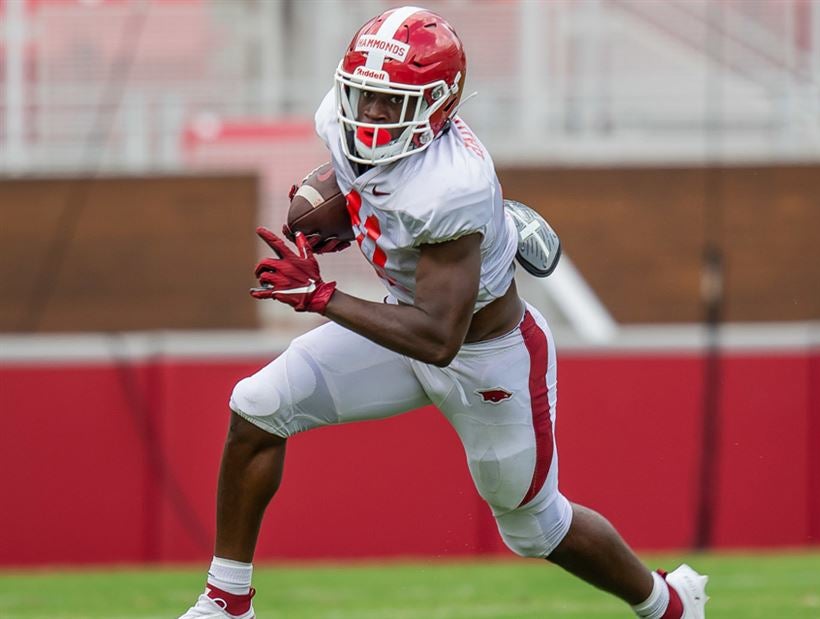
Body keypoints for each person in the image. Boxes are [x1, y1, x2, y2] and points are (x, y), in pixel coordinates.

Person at [179, 6, 708, 619]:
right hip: (406, 317)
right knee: (258, 407)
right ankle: (227, 601)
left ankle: (668, 603)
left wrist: (320, 297)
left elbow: (438, 340)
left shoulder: (451, 186)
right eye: (365, 95)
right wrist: (342, 217)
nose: (370, 115)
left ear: (438, 105)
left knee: (536, 527)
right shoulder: (341, 118)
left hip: (483, 355)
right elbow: (360, 181)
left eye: (389, 103)